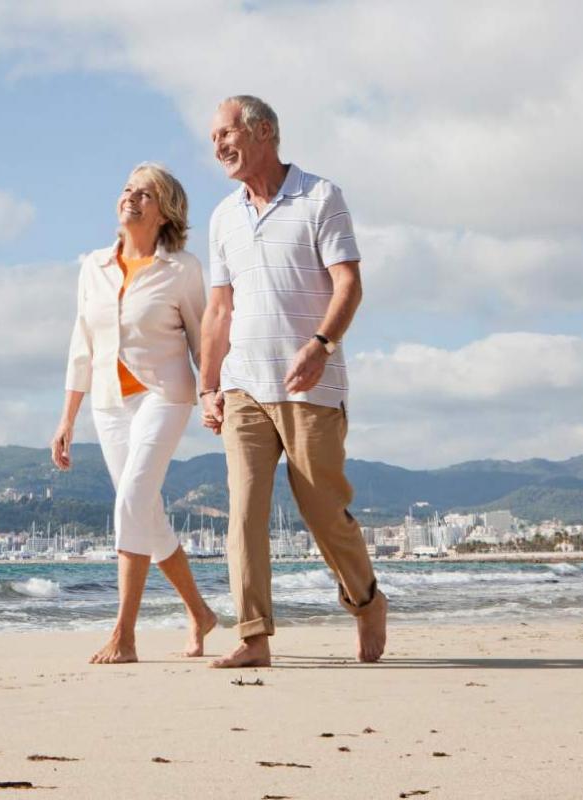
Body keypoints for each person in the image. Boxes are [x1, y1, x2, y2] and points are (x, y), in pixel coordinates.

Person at [198, 95, 387, 668]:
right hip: (244, 386)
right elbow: (218, 311)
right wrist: (209, 386)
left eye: (227, 133)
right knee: (244, 511)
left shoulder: (320, 196)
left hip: (310, 384)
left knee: (322, 511)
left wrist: (322, 346)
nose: (219, 147)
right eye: (212, 139)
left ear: (264, 132)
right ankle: (254, 637)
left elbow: (348, 284)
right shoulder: (223, 216)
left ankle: (366, 599)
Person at [52, 162, 217, 664]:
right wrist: (67, 419)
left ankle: (124, 634)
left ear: (165, 211)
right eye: (128, 190)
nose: (132, 198)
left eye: (145, 194)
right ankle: (200, 612)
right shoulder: (94, 266)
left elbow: (201, 336)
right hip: (108, 403)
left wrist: (211, 391)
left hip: (165, 394)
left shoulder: (182, 269)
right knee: (145, 511)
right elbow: (82, 345)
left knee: (131, 502)